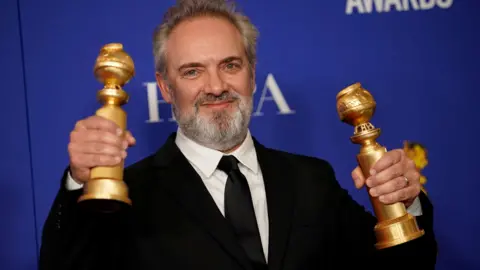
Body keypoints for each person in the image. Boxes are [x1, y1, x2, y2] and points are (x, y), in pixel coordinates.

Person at [39, 0, 437, 269]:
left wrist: (405, 203)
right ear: (164, 87)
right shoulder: (131, 192)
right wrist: (79, 182)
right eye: (192, 71)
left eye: (230, 65)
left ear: (252, 73)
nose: (215, 86)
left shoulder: (310, 179)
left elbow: (404, 266)